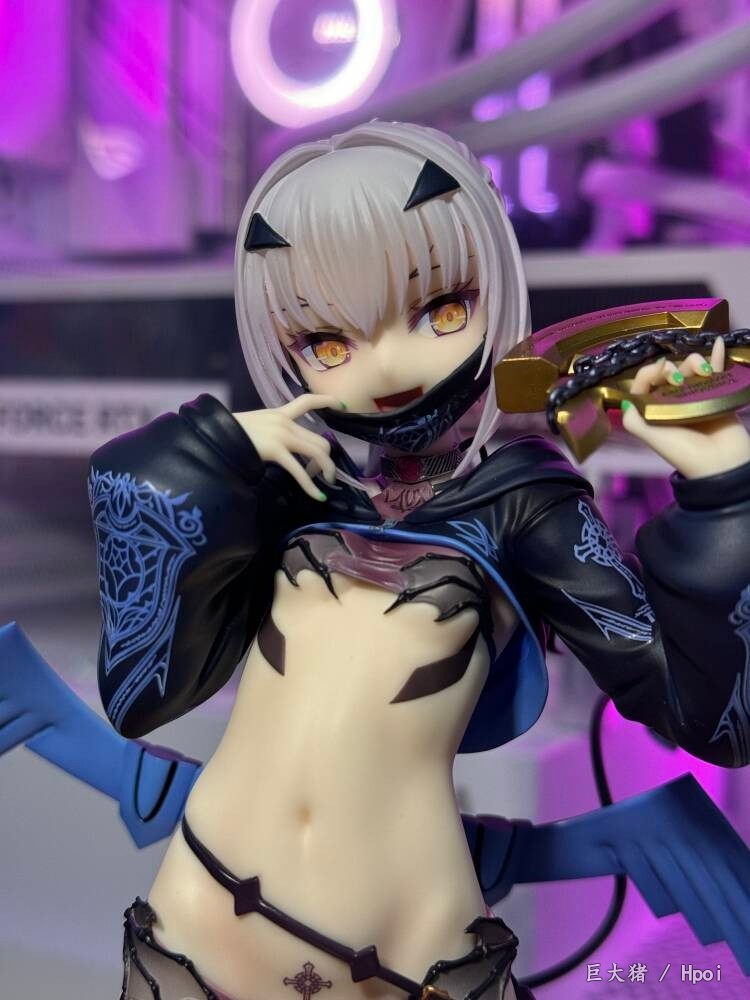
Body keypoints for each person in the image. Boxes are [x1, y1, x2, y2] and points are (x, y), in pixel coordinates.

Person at [88, 121, 750, 1000]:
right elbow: (140, 692)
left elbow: (715, 719)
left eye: (441, 309)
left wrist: (723, 488)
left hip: (410, 954)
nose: (389, 363)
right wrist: (208, 451)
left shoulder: (525, 502)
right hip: (197, 920)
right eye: (327, 342)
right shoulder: (291, 489)